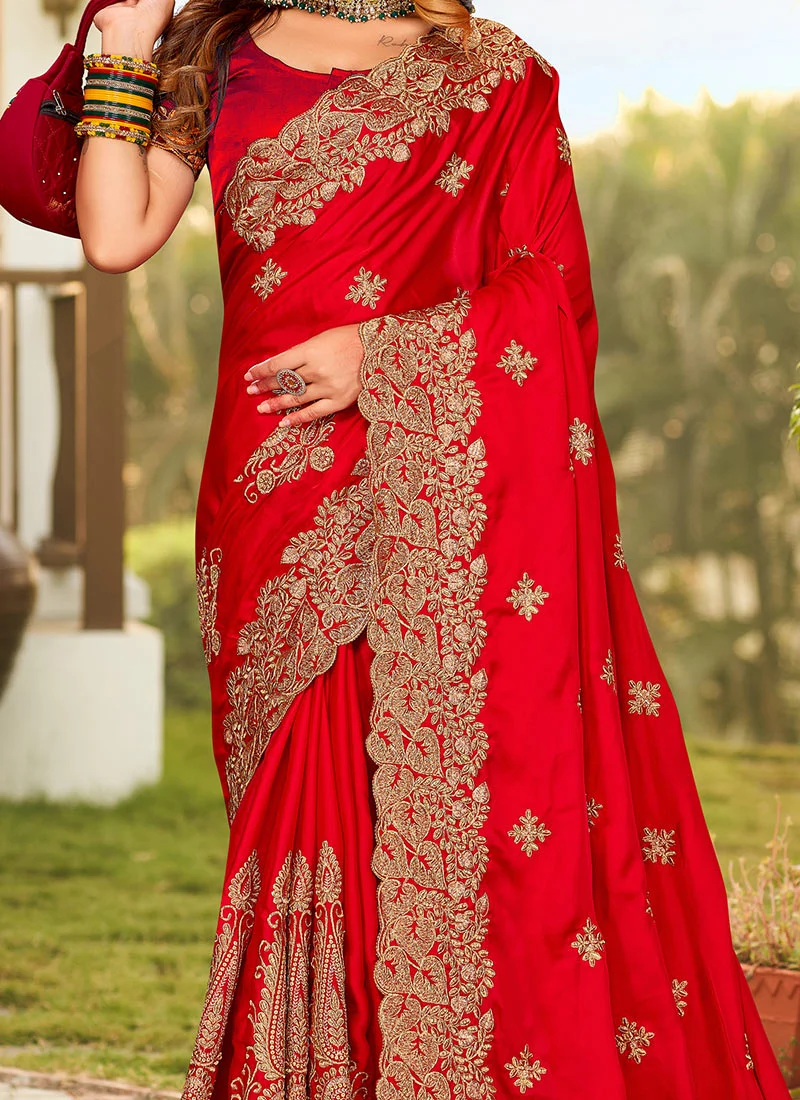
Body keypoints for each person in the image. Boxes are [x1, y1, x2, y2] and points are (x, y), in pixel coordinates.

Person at [76, 1, 791, 1097]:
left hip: (439, 491)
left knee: (449, 819)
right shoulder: (215, 56)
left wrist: (383, 353)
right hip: (273, 495)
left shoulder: (492, 75)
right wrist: (126, 45)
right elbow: (116, 235)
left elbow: (549, 292)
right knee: (300, 811)